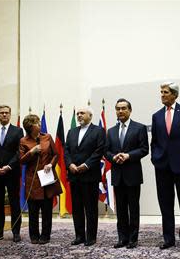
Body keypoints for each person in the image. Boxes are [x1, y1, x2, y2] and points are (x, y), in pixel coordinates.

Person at [151, 81, 180, 250]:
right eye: (161, 92)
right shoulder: (156, 116)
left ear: (174, 94)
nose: (162, 95)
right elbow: (154, 141)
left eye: (165, 92)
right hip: (162, 166)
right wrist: (155, 158)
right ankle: (168, 238)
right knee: (165, 204)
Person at [105, 98, 149, 249]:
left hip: (133, 174)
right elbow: (106, 151)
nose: (120, 111)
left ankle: (133, 238)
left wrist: (128, 156)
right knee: (121, 209)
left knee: (133, 208)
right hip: (117, 175)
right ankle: (122, 238)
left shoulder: (139, 128)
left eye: (124, 108)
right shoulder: (110, 131)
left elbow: (144, 149)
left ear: (130, 110)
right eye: (118, 109)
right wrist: (113, 157)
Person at [65, 107, 106, 246]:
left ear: (90, 115)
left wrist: (86, 165)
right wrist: (69, 164)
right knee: (77, 208)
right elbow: (66, 151)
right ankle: (79, 236)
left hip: (90, 175)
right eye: (77, 113)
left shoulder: (98, 131)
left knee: (90, 208)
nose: (79, 115)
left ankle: (91, 237)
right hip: (74, 175)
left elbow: (99, 150)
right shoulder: (71, 132)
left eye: (82, 113)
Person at [20, 114, 61, 244]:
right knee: (33, 210)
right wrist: (31, 151)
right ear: (31, 128)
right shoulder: (23, 141)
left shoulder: (47, 137)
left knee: (47, 209)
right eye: (37, 123)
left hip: (46, 177)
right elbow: (21, 160)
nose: (39, 125)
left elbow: (56, 154)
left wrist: (51, 164)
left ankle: (45, 235)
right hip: (33, 180)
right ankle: (34, 235)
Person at [0, 105, 24, 243]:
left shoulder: (18, 131)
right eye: (2, 113)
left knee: (14, 203)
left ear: (10, 114)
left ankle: (16, 232)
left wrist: (9, 166)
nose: (4, 115)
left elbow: (19, 151)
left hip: (11, 172)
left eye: (7, 113)